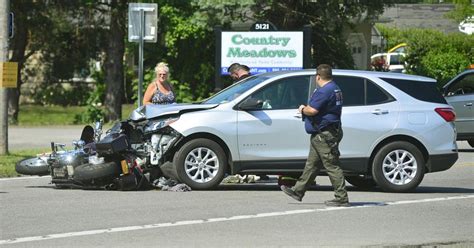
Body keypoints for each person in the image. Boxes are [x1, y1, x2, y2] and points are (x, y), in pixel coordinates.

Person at [280, 64, 349, 207]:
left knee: (332, 165)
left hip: (324, 134)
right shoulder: (335, 88)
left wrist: (302, 109)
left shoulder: (324, 91)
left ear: (318, 77)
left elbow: (312, 110)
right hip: (325, 133)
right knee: (312, 165)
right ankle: (298, 191)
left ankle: (341, 197)